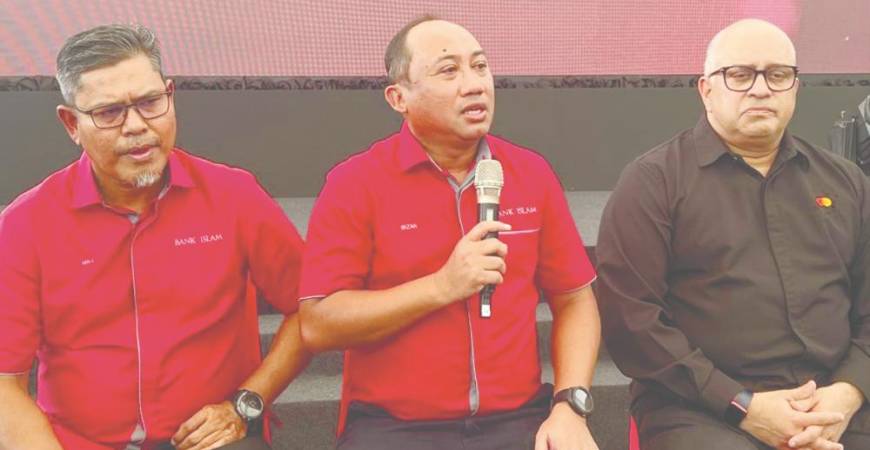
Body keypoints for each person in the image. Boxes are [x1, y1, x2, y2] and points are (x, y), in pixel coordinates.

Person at [297, 16, 602, 450]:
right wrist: (442, 286)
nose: (474, 84)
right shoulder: (355, 183)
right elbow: (319, 324)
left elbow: (574, 299)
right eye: (449, 70)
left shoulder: (530, 173)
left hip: (516, 419)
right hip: (395, 428)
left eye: (480, 66)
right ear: (398, 97)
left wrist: (570, 405)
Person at [0, 24, 310, 450]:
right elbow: (4, 385)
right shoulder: (25, 224)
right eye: (109, 112)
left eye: (150, 103)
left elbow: (310, 309)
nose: (136, 126)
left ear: (170, 95)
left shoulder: (234, 196)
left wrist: (246, 403)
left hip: (215, 441)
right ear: (71, 123)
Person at [596, 19, 870, 450]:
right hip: (700, 411)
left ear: (795, 88)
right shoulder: (653, 183)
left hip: (835, 403)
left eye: (778, 75)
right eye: (740, 75)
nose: (760, 89)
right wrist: (745, 407)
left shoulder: (846, 184)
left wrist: (849, 392)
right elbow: (633, 323)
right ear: (706, 89)